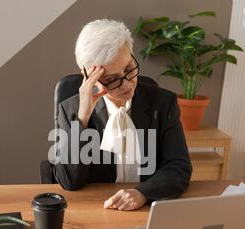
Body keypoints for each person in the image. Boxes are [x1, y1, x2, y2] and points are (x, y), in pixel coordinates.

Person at [53, 19, 192, 211]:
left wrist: (143, 192)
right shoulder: (70, 110)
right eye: (111, 79)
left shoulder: (163, 103)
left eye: (128, 69)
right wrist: (83, 119)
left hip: (148, 209)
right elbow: (69, 181)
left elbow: (178, 166)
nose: (127, 85)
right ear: (89, 77)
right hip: (97, 209)